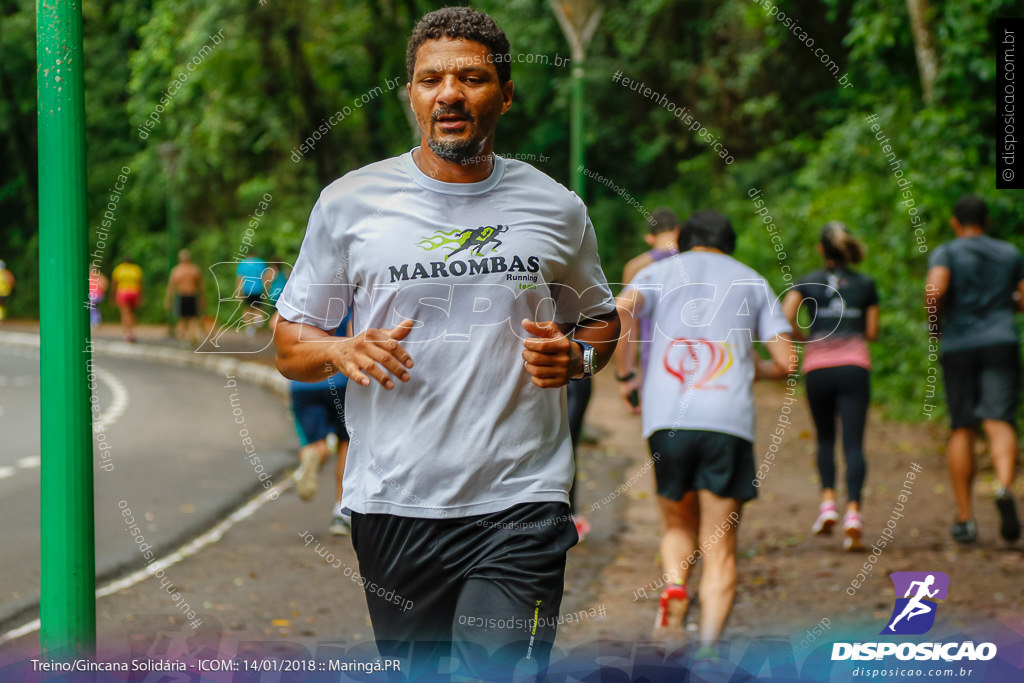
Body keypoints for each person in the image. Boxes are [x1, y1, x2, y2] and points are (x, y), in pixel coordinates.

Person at [272, 8, 620, 680]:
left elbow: (599, 319)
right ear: (412, 94)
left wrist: (576, 357)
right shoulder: (349, 203)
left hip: (523, 498)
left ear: (506, 94)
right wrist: (339, 351)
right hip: (394, 502)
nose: (449, 93)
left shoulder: (555, 206)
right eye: (431, 79)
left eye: (471, 77)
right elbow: (290, 341)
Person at [614, 210, 794, 648]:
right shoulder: (752, 280)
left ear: (686, 240)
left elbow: (620, 312)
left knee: (676, 526)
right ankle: (711, 650)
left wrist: (627, 375)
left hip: (667, 419)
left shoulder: (658, 272)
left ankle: (675, 586)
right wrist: (754, 369)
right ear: (728, 243)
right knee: (720, 544)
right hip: (727, 421)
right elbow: (789, 362)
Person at [925, 195, 1024, 544]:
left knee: (963, 427)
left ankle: (965, 518)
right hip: (1001, 342)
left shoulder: (947, 252)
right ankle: (1002, 486)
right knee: (999, 420)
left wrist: (936, 327)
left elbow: (934, 290)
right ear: (987, 222)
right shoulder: (1010, 253)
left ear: (955, 222)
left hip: (959, 345)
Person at [782, 222, 879, 551]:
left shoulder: (808, 280)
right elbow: (873, 331)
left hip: (818, 368)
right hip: (854, 367)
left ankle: (827, 505)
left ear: (821, 249)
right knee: (854, 442)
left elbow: (786, 314)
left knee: (825, 437)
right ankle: (853, 513)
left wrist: (804, 337)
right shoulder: (866, 284)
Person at [278, 315, 352, 535]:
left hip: (302, 381)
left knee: (316, 442)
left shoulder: (299, 298)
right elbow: (352, 337)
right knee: (346, 443)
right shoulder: (347, 295)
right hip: (339, 380)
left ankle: (313, 456)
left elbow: (276, 327)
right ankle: (341, 512)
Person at [164, 249, 204, 344]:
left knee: (185, 319)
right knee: (189, 319)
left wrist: (168, 300)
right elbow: (200, 287)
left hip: (185, 296)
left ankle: (186, 338)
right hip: (188, 296)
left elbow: (171, 287)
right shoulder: (194, 269)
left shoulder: (177, 270)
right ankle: (188, 338)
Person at [235, 253, 270, 337]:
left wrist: (238, 292)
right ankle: (259, 321)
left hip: (247, 289)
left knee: (247, 308)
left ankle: (249, 328)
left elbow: (239, 279)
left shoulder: (243, 263)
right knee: (258, 307)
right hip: (258, 288)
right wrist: (266, 289)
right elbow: (266, 277)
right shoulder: (261, 262)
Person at [111, 256, 143, 342]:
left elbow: (114, 284)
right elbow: (140, 283)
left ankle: (126, 333)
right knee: (132, 313)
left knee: (125, 313)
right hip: (134, 292)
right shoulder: (136, 269)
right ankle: (132, 331)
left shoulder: (119, 269)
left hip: (123, 292)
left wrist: (112, 296)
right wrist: (141, 297)